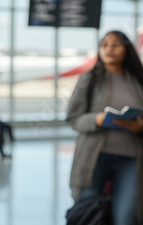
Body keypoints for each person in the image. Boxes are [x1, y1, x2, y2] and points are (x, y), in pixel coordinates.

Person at [66, 30, 143, 225]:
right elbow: (73, 118)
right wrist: (97, 119)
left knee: (127, 217)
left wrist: (140, 126)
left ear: (127, 49)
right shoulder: (89, 80)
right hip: (94, 159)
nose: (109, 49)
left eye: (115, 45)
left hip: (131, 160)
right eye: (104, 45)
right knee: (89, 215)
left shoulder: (138, 81)